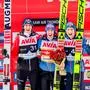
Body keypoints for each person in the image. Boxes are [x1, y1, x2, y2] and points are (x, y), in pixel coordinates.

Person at [11, 18, 40, 90]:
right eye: (26, 25)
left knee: (35, 87)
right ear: (23, 27)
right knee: (20, 88)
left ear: (32, 27)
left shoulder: (37, 36)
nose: (28, 27)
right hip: (22, 68)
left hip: (34, 68)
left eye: (29, 25)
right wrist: (16, 61)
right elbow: (13, 52)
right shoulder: (19, 37)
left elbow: (42, 46)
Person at [64, 22, 84, 90]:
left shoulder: (81, 39)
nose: (70, 31)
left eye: (72, 30)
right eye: (68, 29)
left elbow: (88, 49)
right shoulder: (63, 40)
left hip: (78, 68)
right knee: (68, 88)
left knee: (77, 88)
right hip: (67, 70)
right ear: (66, 31)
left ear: (75, 31)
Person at [38, 23, 58, 90]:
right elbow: (38, 54)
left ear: (54, 31)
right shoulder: (40, 40)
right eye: (48, 30)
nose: (50, 32)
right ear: (46, 31)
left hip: (55, 70)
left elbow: (62, 53)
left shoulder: (58, 40)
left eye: (52, 30)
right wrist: (42, 58)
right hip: (44, 70)